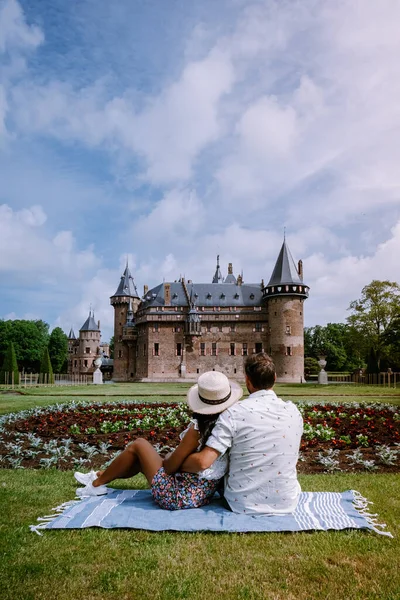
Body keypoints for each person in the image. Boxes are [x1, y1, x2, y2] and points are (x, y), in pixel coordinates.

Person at [74, 371, 243, 510]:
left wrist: (171, 458)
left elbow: (169, 468)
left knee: (139, 445)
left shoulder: (197, 429)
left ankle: (95, 485)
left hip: (176, 494)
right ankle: (100, 476)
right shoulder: (227, 424)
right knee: (139, 460)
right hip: (200, 494)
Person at [181, 353, 303, 514]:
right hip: (287, 501)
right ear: (275, 377)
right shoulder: (293, 412)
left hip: (242, 503)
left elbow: (204, 462)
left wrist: (177, 463)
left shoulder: (234, 413)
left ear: (247, 380)